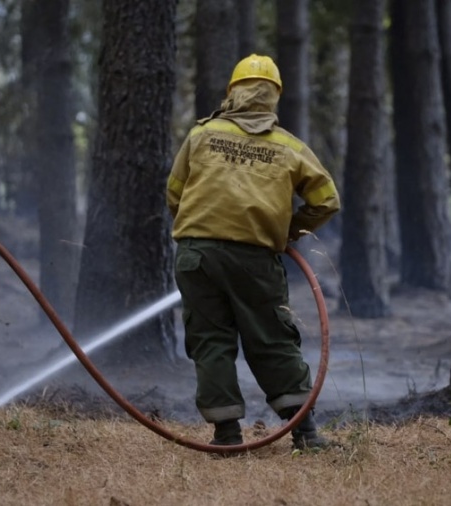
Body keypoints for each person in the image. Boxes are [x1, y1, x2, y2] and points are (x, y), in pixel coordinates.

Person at [166, 54, 340, 451]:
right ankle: (306, 434)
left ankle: (226, 436)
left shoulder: (202, 135)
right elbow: (327, 201)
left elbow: (174, 193)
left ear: (232, 92)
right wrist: (288, 231)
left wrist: (202, 230)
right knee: (272, 339)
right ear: (274, 96)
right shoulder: (289, 147)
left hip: (196, 257)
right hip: (255, 260)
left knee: (210, 341)